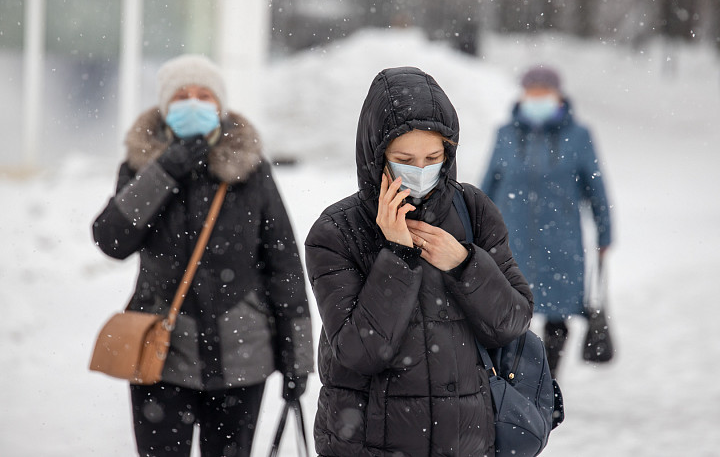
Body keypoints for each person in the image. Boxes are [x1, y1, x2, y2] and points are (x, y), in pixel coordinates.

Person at [304, 66, 533, 456]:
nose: (422, 170)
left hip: (464, 442)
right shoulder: (336, 231)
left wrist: (464, 264)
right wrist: (396, 256)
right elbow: (360, 352)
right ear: (377, 157)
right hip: (368, 444)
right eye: (405, 158)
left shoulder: (474, 211)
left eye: (433, 156)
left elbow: (511, 322)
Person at [92, 54, 313, 457]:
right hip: (160, 354)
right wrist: (164, 172)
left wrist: (298, 357)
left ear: (219, 106)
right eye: (181, 95)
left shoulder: (251, 170)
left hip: (242, 356)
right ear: (164, 106)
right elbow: (112, 240)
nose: (193, 102)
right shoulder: (140, 166)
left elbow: (284, 264)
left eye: (204, 94)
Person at [481, 65, 612, 378]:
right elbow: (487, 187)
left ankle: (549, 381)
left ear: (558, 95)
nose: (538, 98)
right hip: (512, 242)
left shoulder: (579, 136)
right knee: (510, 313)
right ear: (523, 94)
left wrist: (605, 235)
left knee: (557, 315)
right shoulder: (505, 134)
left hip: (561, 242)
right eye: (532, 92)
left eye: (544, 92)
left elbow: (597, 189)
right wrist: (473, 228)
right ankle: (513, 381)